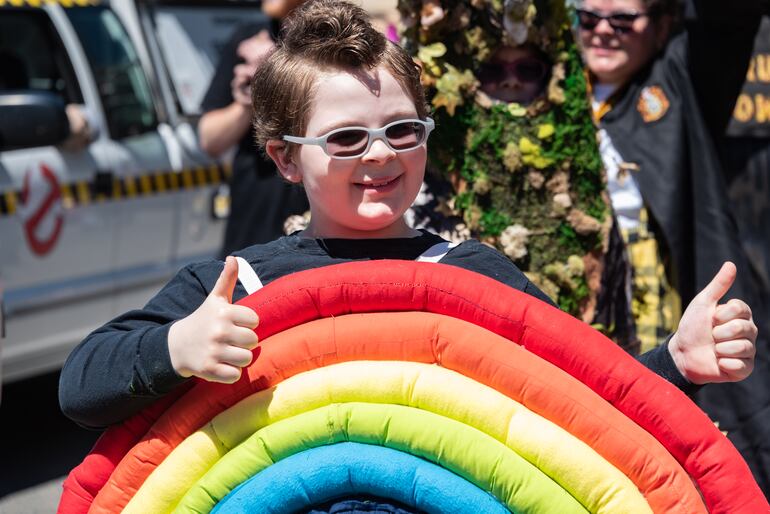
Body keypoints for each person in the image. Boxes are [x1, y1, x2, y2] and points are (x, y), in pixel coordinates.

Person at [60, 3, 757, 506]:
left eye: (402, 129)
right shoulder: (242, 283)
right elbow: (81, 385)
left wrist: (678, 363)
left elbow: (588, 405)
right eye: (344, 139)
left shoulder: (470, 275)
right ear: (284, 159)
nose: (382, 154)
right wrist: (178, 345)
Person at [577, 0, 770, 491]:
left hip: (663, 327)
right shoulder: (544, 87)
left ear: (662, 26)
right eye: (589, 17)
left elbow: (729, 19)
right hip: (580, 327)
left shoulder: (682, 79)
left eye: (623, 20)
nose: (603, 31)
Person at [198, 0, 309, 257]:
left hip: (314, 224)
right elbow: (210, 140)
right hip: (252, 225)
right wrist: (247, 100)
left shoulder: (336, 41)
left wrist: (276, 70)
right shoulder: (248, 38)